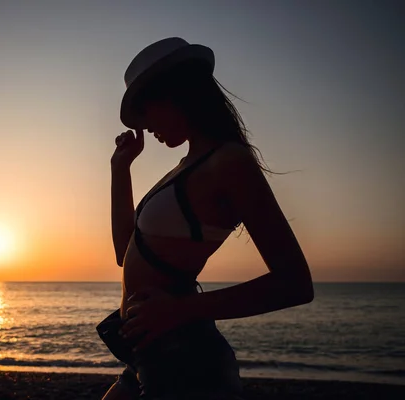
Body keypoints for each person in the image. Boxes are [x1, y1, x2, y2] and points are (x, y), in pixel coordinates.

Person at [97, 37, 314, 399]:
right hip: (148, 358)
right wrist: (121, 169)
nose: (145, 125)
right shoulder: (182, 168)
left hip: (188, 364)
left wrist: (179, 310)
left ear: (175, 92)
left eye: (145, 110)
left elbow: (295, 284)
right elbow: (125, 252)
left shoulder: (228, 162)